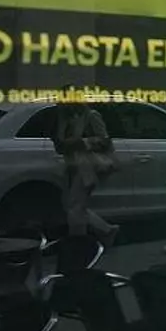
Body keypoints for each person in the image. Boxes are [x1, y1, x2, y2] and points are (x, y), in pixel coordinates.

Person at [52, 102, 119, 245]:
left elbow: (105, 141)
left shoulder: (91, 116)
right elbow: (60, 146)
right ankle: (105, 230)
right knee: (73, 205)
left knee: (75, 206)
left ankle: (79, 241)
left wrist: (82, 142)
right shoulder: (65, 120)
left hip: (87, 166)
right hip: (71, 165)